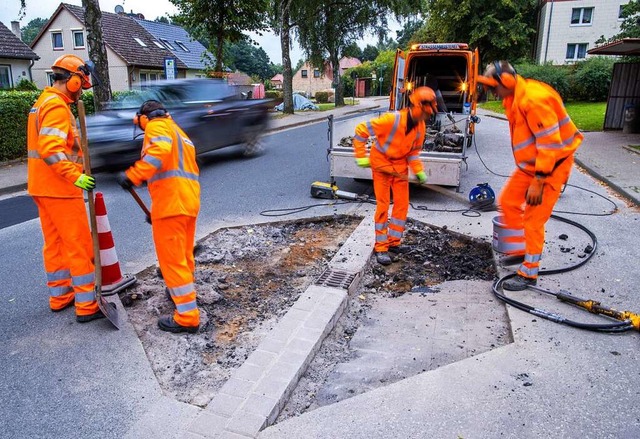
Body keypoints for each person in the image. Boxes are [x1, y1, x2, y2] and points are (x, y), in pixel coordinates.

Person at [477, 61, 583, 291]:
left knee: (534, 219)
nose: (491, 92)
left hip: (550, 168)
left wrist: (538, 181)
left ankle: (529, 273)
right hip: (530, 167)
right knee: (508, 202)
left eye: (493, 87)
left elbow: (549, 145)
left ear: (506, 81)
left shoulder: (534, 100)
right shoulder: (513, 97)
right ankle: (521, 251)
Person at [27, 54, 108, 322]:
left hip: (42, 187)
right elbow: (50, 149)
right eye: (82, 83)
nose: (80, 90)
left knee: (55, 244)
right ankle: (87, 305)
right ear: (72, 81)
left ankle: (60, 296)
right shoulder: (58, 107)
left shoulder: (42, 103)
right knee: (78, 244)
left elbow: (56, 145)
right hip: (60, 188)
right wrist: (75, 175)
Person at [117, 100, 201, 334]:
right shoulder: (179, 131)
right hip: (187, 202)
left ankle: (187, 317)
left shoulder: (156, 126)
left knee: (172, 261)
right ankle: (180, 294)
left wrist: (133, 175)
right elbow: (175, 172)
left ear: (144, 117)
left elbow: (159, 153)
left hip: (172, 205)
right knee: (183, 255)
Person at [353, 86, 437, 265]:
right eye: (426, 113)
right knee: (383, 205)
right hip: (382, 164)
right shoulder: (391, 119)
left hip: (400, 167)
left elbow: (413, 152)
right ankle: (381, 247)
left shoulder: (421, 128)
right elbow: (361, 130)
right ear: (417, 107)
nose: (427, 117)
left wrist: (418, 170)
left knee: (401, 205)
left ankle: (394, 242)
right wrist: (361, 156)